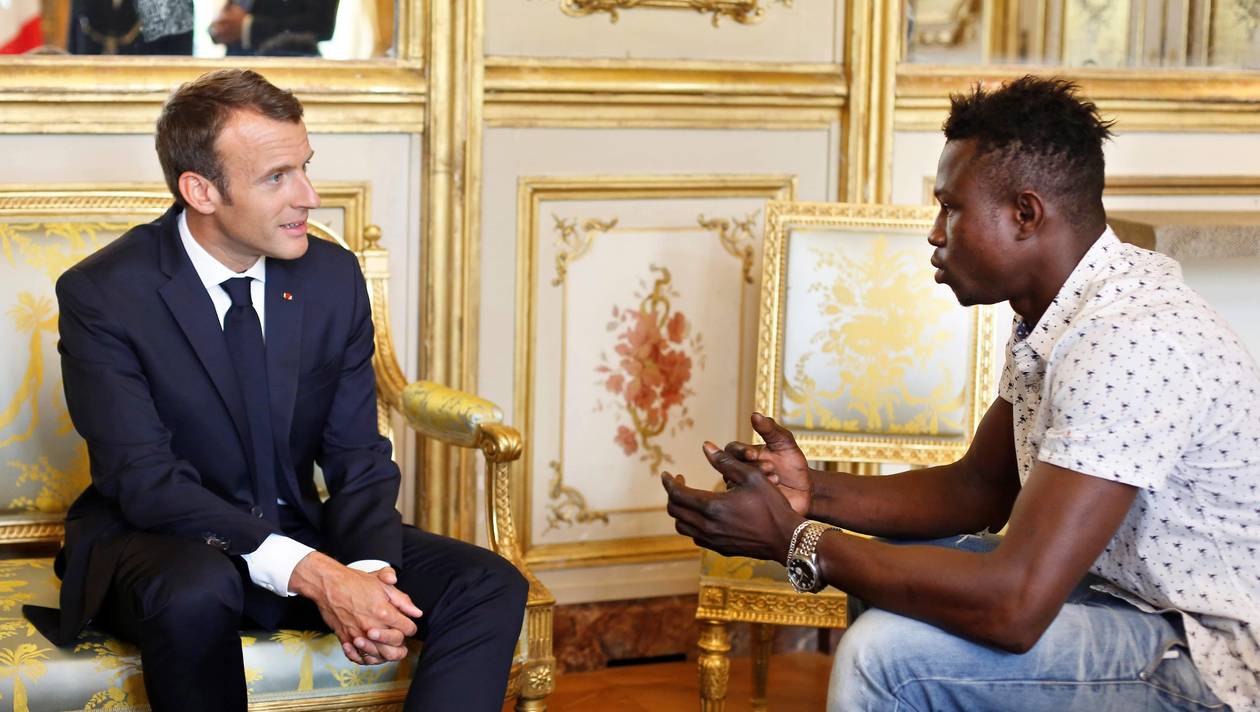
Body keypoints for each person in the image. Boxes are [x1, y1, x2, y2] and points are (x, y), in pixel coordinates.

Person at [663, 75, 1259, 712]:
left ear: (1025, 215)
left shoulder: (1128, 339)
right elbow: (976, 489)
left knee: (889, 658)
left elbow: (1015, 604)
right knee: (904, 568)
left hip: (1208, 658)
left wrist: (793, 539)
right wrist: (810, 493)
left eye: (952, 207)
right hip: (1124, 599)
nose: (934, 233)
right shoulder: (1062, 312)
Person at [24, 68, 527, 712]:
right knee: (194, 588)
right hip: (163, 542)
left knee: (487, 583)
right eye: (276, 178)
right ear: (200, 190)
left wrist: (370, 575)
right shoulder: (105, 294)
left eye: (305, 167)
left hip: (297, 524)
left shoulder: (331, 276)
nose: (309, 196)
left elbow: (356, 453)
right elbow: (144, 479)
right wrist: (314, 573)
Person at [209, 0, 338, 56]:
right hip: (236, 67)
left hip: (286, 67)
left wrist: (248, 27)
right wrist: (218, 28)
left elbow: (321, 24)